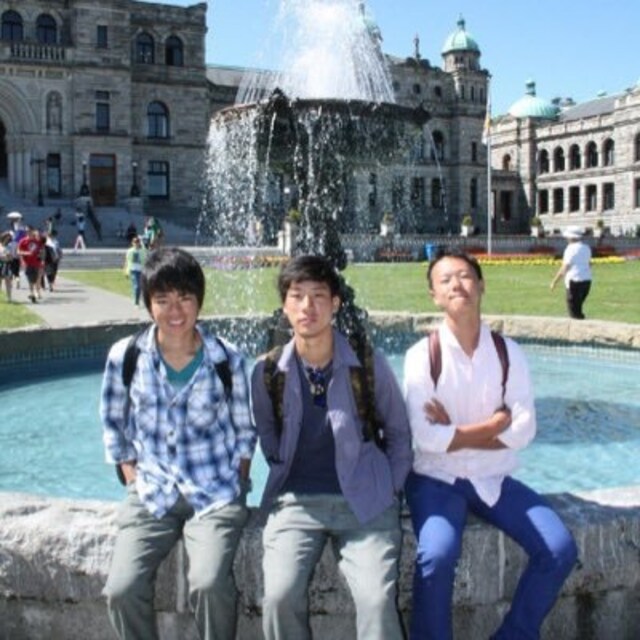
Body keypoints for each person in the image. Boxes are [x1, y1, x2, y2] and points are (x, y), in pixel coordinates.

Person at [403, 248, 578, 640]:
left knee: (559, 549)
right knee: (436, 556)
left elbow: (524, 431)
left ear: (481, 285)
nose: (456, 284)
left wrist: (457, 433)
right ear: (434, 295)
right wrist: (494, 426)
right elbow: (426, 439)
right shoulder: (421, 356)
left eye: (465, 276)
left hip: (493, 478)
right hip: (436, 478)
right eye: (445, 279)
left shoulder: (507, 352)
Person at [251, 255, 412, 640]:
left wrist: (390, 488)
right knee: (278, 598)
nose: (307, 306)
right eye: (297, 296)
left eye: (318, 295)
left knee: (377, 601)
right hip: (297, 504)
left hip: (366, 504)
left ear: (335, 303)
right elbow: (267, 435)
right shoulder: (267, 371)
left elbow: (399, 434)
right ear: (285, 305)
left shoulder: (367, 364)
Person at [100, 247, 257, 640]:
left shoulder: (227, 359)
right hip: (151, 491)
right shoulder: (125, 356)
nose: (175, 311)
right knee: (121, 590)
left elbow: (244, 432)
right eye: (162, 300)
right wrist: (132, 478)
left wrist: (239, 481)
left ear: (199, 301)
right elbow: (114, 426)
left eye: (184, 298)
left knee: (209, 584)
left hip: (215, 492)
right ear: (148, 303)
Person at [550, 226, 592, 319]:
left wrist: (554, 281)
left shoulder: (570, 249)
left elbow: (565, 267)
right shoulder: (586, 248)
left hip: (574, 281)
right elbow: (589, 264)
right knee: (578, 308)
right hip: (587, 280)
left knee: (573, 312)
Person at [17, 226, 45, 303]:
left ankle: (35, 292)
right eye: (26, 231)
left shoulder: (37, 241)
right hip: (27, 263)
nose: (28, 232)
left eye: (29, 231)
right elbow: (18, 251)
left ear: (32, 231)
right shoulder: (23, 241)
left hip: (37, 263)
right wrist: (26, 253)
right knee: (30, 279)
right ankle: (32, 293)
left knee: (36, 279)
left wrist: (42, 259)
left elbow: (42, 250)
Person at [123, 235, 146, 305]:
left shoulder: (142, 251)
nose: (136, 243)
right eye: (135, 242)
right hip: (133, 270)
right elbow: (126, 261)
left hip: (141, 270)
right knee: (137, 286)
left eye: (137, 242)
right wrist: (125, 271)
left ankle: (136, 297)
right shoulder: (130, 251)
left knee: (139, 286)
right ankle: (136, 302)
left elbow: (145, 259)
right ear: (132, 243)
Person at [0, 231, 13, 302]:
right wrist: (3, 257)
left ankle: (9, 297)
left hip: (7, 265)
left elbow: (11, 258)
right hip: (0, 264)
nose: (8, 240)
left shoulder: (9, 246)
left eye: (9, 238)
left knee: (8, 281)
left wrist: (8, 257)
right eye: (6, 238)